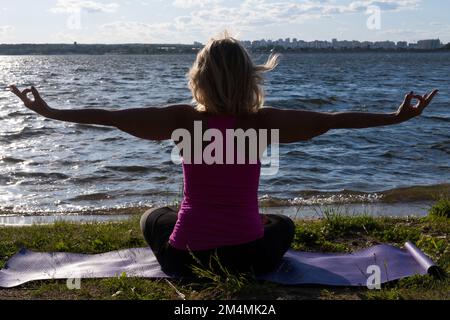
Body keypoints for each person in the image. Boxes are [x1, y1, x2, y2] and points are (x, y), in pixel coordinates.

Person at [10, 32, 438, 278]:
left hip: (184, 257)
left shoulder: (180, 120)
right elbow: (333, 119)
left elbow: (110, 116)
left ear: (197, 78)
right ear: (250, 78)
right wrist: (395, 119)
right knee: (282, 224)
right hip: (248, 257)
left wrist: (49, 111)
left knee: (154, 217)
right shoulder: (262, 122)